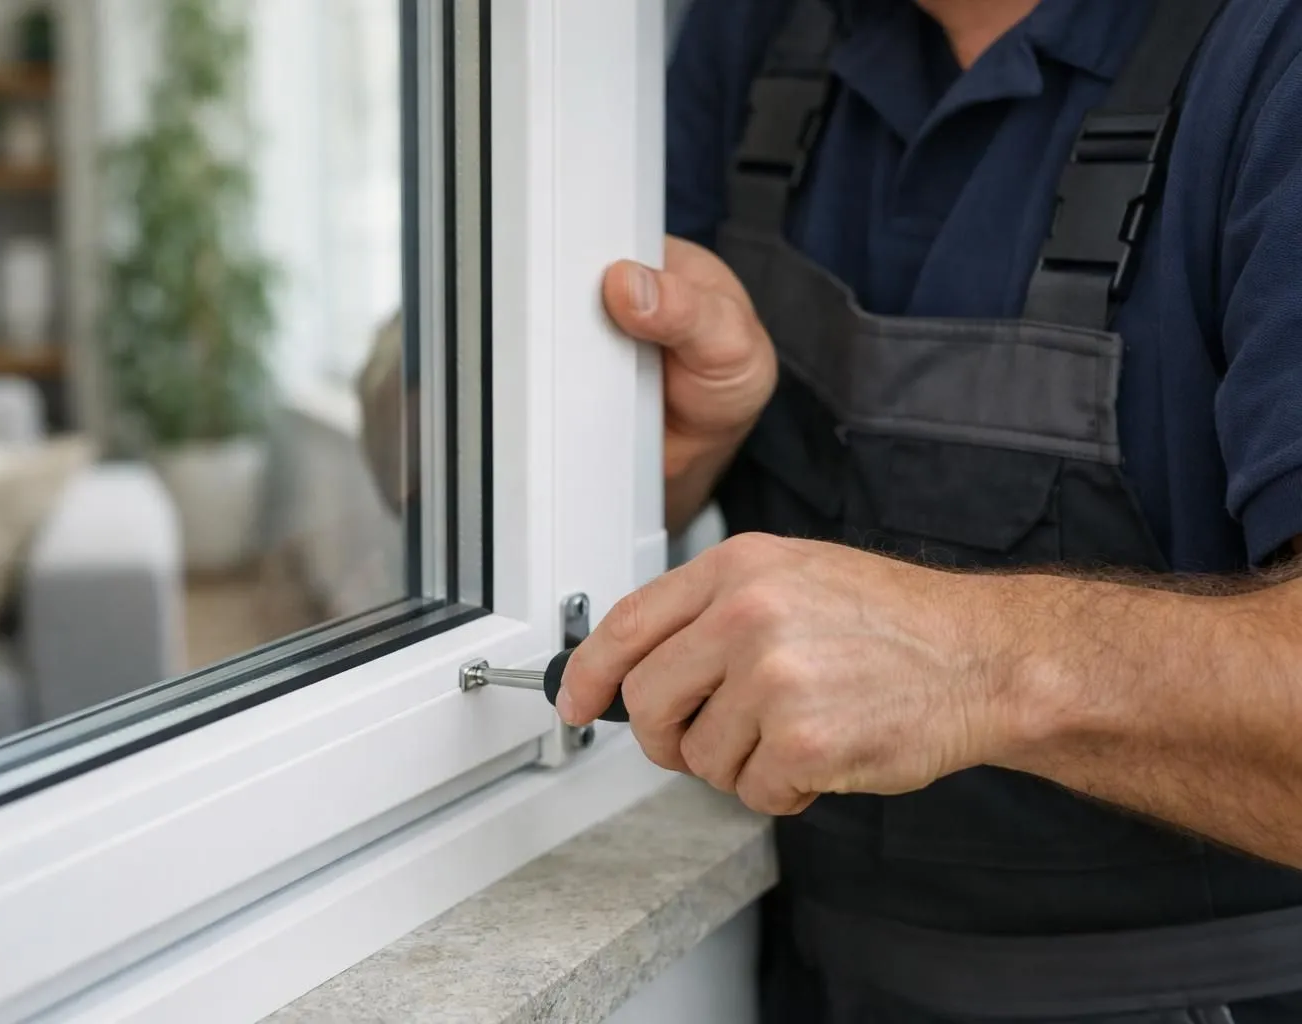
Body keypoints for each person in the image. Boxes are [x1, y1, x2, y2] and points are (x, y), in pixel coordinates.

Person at [558, 1, 1302, 1021]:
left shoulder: (1271, 64)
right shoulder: (749, 33)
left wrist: (978, 662)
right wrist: (659, 456)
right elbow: (432, 453)